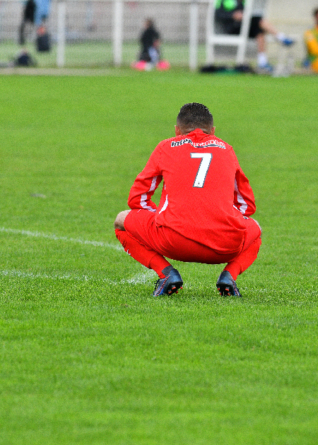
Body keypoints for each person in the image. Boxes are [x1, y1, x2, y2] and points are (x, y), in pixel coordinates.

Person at [114, 103, 262, 297]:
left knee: (120, 221)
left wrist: (162, 217)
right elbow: (247, 205)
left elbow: (137, 198)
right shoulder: (226, 149)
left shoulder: (165, 146)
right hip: (224, 245)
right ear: (213, 132)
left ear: (177, 131)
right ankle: (229, 276)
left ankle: (166, 273)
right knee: (256, 229)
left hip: (172, 241)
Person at [215, 0, 293, 71]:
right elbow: (217, 14)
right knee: (258, 20)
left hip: (243, 27)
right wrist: (232, 15)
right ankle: (280, 37)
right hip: (230, 28)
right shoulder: (222, 1)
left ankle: (262, 62)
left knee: (259, 31)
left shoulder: (243, 2)